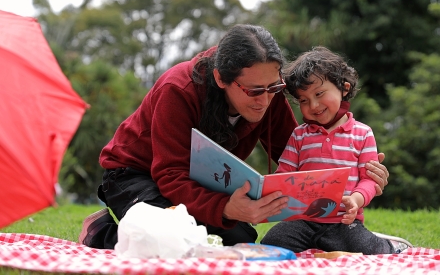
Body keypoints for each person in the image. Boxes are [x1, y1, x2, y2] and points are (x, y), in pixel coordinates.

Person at [79, 25, 389, 249]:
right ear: (220, 78)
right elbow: (169, 174)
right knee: (170, 240)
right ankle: (100, 233)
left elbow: (298, 156)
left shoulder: (269, 90)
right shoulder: (178, 89)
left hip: (198, 183)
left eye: (273, 88)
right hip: (134, 175)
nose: (264, 101)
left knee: (239, 242)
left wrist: (360, 171)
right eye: (254, 91)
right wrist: (227, 208)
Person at [261, 47, 412, 254]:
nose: (313, 105)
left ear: (344, 88)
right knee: (271, 242)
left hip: (344, 221)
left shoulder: (363, 133)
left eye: (319, 93)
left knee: (366, 248)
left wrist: (356, 200)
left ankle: (391, 246)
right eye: (303, 100)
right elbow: (284, 176)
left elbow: (369, 180)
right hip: (303, 221)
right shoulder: (299, 135)